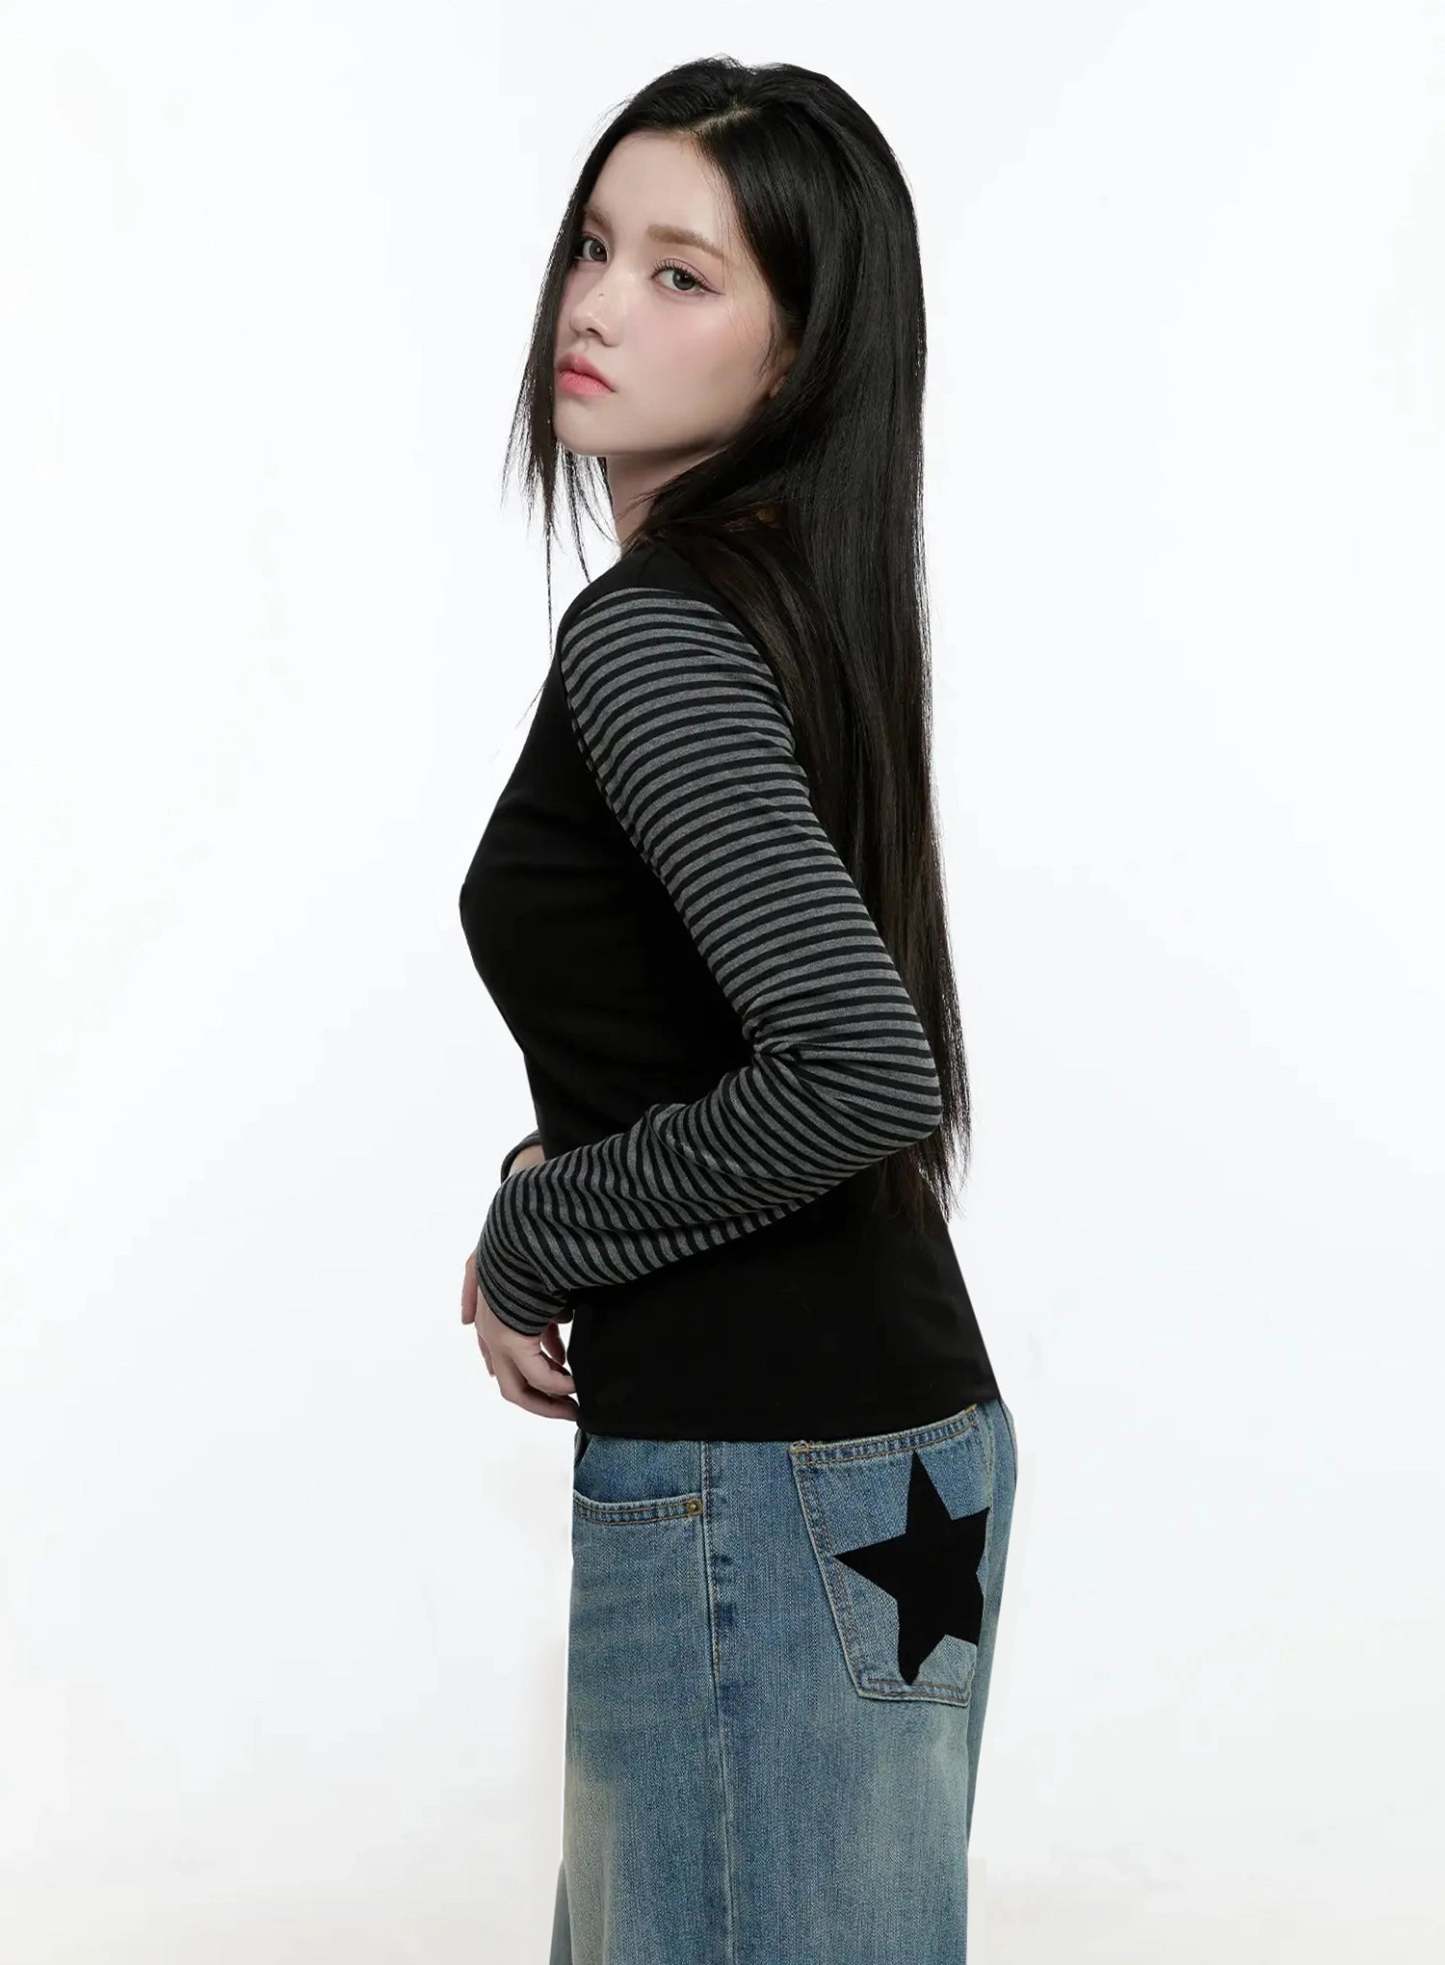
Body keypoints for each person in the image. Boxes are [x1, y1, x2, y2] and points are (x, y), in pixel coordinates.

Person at [458, 55, 1018, 1964]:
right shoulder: (786, 603)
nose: (596, 303)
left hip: (763, 1483)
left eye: (680, 273)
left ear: (797, 356)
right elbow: (730, 1016)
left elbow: (857, 1066)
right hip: (869, 1460)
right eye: (592, 246)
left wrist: (539, 1233)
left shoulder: (652, 635)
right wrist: (559, 1161)